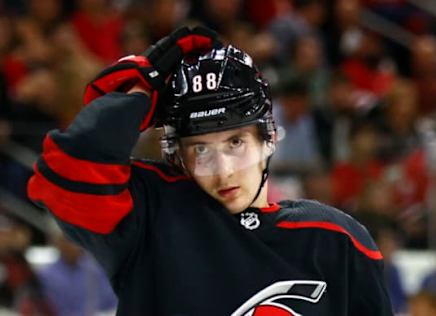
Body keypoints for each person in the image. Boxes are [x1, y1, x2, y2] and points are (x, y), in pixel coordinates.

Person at [27, 26, 393, 315]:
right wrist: (145, 85)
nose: (223, 171)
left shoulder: (335, 240)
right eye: (200, 149)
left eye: (236, 143)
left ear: (268, 137)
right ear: (178, 156)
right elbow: (65, 174)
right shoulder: (149, 215)